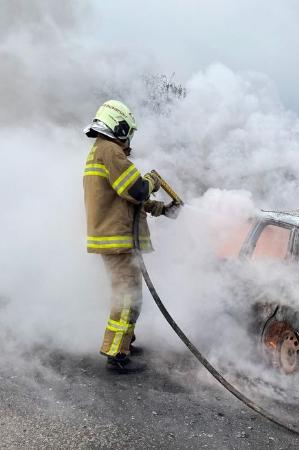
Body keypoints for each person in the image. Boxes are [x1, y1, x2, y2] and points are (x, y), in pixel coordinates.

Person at [82, 100, 180, 373]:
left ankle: (125, 342)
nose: (129, 137)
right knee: (127, 297)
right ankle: (116, 354)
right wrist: (153, 181)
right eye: (128, 131)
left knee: (130, 295)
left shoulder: (101, 151)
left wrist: (161, 208)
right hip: (118, 239)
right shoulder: (111, 151)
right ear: (119, 126)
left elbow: (126, 199)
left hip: (117, 237)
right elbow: (136, 190)